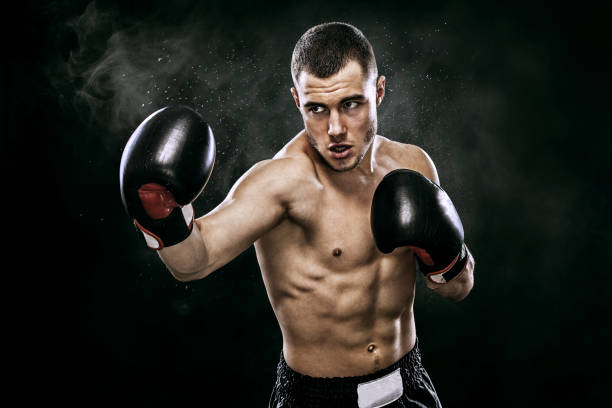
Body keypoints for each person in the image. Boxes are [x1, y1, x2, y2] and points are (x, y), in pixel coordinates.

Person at [120, 22, 475, 408]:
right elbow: (194, 261)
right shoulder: (280, 183)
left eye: (351, 104)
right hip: (316, 399)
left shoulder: (413, 164)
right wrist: (159, 217)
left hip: (409, 386)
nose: (335, 129)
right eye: (316, 109)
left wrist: (448, 259)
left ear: (379, 91)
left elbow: (459, 288)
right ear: (296, 101)